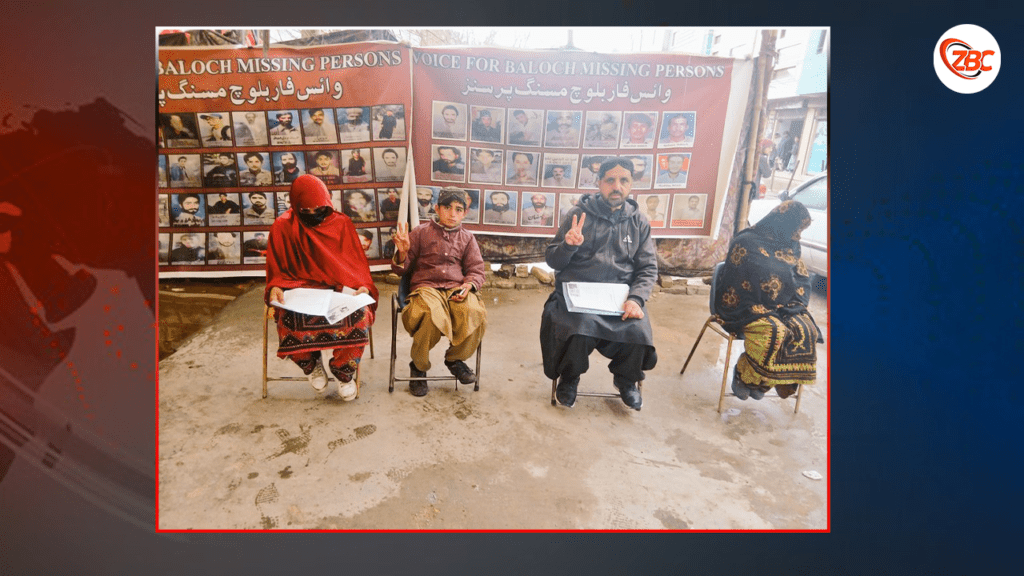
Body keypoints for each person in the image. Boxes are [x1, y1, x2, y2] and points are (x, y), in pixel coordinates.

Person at [541, 157, 658, 410]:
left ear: (631, 184)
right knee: (580, 327)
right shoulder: (578, 214)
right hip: (579, 293)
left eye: (623, 180)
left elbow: (648, 268)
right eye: (610, 180)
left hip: (619, 297)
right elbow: (553, 261)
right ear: (599, 183)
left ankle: (626, 380)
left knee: (638, 330)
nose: (617, 186)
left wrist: (636, 299)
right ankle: (569, 378)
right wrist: (568, 246)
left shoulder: (639, 221)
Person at [265, 175, 378, 401]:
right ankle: (311, 364)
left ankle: (344, 372)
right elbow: (277, 268)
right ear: (295, 205)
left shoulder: (341, 223)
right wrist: (275, 286)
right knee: (287, 319)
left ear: (328, 202)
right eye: (305, 210)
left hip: (338, 289)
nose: (313, 213)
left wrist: (363, 286)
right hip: (299, 289)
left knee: (359, 316)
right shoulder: (283, 226)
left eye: (319, 208)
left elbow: (355, 264)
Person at [715, 200, 823, 400]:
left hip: (783, 305)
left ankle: (765, 382)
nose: (798, 234)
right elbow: (737, 281)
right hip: (745, 304)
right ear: (784, 222)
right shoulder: (746, 241)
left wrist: (794, 303)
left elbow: (801, 278)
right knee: (773, 331)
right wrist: (769, 301)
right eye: (797, 228)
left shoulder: (792, 244)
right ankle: (744, 375)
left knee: (805, 331)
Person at [391, 187, 486, 397]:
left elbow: (476, 270)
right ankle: (418, 366)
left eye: (458, 209)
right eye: (447, 207)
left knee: (474, 311)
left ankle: (454, 359)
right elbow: (400, 269)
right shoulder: (419, 233)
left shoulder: (468, 238)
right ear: (436, 208)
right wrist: (402, 252)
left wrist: (468, 286)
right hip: (426, 289)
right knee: (430, 315)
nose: (453, 214)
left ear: (464, 213)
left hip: (455, 289)